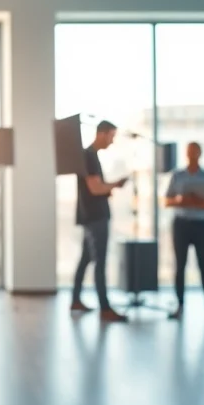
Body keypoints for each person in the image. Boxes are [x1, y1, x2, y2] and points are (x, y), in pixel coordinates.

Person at [71, 120, 129, 322]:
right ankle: (105, 308)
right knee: (100, 262)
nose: (112, 141)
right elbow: (95, 189)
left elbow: (95, 188)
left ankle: (75, 300)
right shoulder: (89, 157)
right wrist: (115, 184)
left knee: (85, 260)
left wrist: (107, 188)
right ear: (102, 134)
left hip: (90, 215)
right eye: (112, 136)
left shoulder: (89, 156)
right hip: (95, 217)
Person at [164, 142, 204, 323]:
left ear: (200, 153)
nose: (192, 155)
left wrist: (199, 201)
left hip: (201, 225)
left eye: (195, 152)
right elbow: (167, 200)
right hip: (181, 224)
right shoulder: (177, 176)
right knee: (179, 266)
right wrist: (181, 200)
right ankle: (179, 305)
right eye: (189, 152)